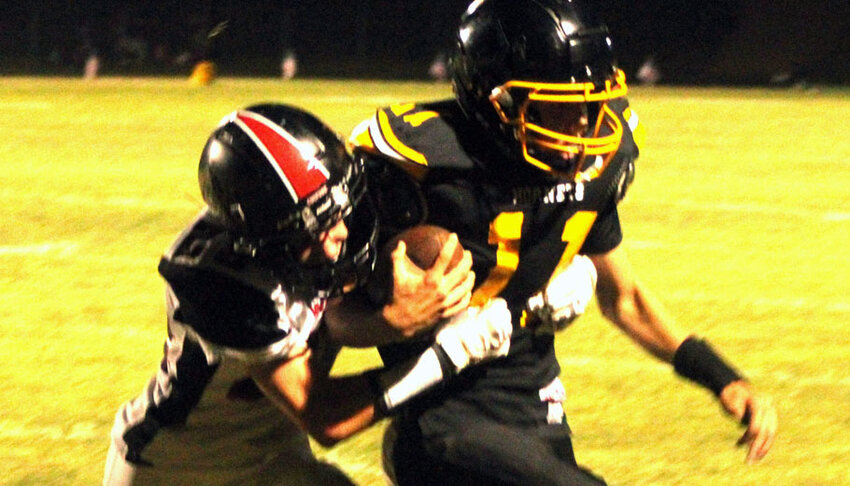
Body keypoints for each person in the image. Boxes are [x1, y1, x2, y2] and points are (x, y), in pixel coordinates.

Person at [345, 0, 778, 484]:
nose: (580, 131)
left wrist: (720, 377)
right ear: (496, 102)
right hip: (440, 413)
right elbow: (327, 318)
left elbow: (625, 299)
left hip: (534, 405)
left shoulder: (590, 166)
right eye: (557, 109)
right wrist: (394, 321)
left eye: (587, 108)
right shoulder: (419, 169)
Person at [102, 103, 514, 486]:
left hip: (276, 456)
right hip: (181, 469)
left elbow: (332, 319)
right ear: (263, 242)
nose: (337, 235)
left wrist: (552, 277)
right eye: (311, 229)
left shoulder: (334, 211)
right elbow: (325, 417)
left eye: (338, 211)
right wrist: (451, 350)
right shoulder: (219, 282)